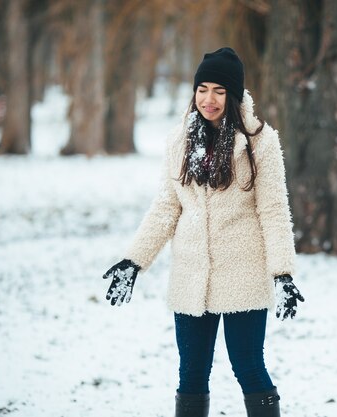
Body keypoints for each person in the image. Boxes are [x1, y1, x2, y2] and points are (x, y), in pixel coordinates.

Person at [102, 47, 304, 417]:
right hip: (191, 275)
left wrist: (283, 272)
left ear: (235, 95)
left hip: (242, 273)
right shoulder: (179, 140)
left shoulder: (260, 142)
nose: (208, 99)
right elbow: (167, 206)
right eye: (202, 89)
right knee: (191, 373)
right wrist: (134, 261)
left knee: (247, 365)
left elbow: (273, 210)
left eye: (219, 91)